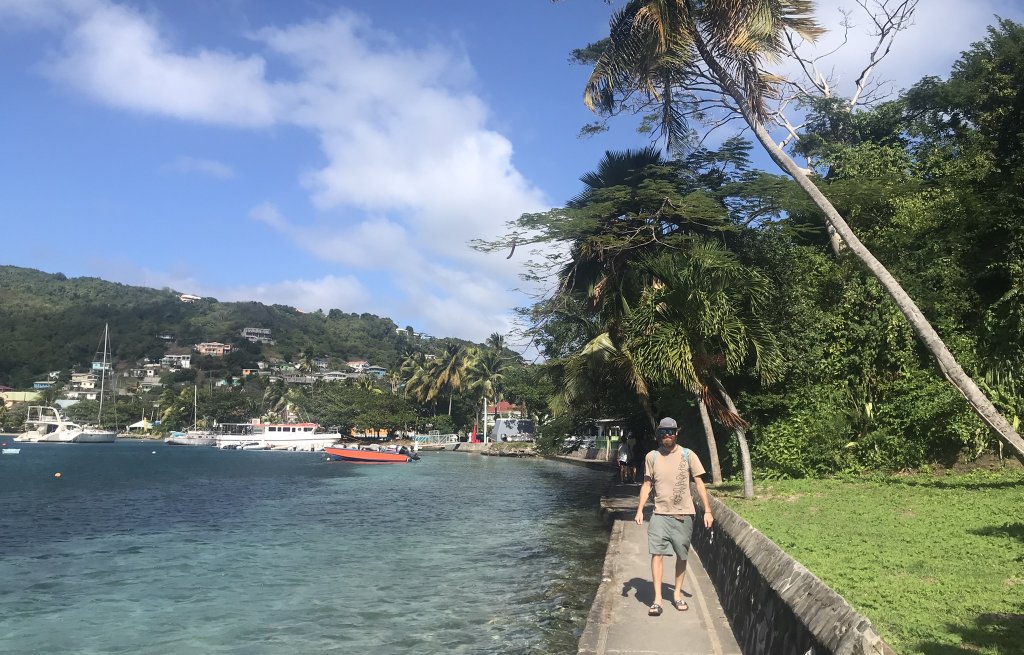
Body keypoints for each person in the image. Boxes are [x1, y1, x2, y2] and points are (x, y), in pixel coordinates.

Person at [634, 417, 714, 617]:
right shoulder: (651, 457)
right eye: (663, 432)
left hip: (683, 515)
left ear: (677, 433)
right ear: (658, 434)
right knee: (656, 554)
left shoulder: (688, 455)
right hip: (660, 514)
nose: (667, 435)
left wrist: (708, 510)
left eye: (670, 432)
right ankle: (658, 599)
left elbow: (699, 483)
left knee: (682, 555)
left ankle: (677, 594)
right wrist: (639, 509)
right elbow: (646, 485)